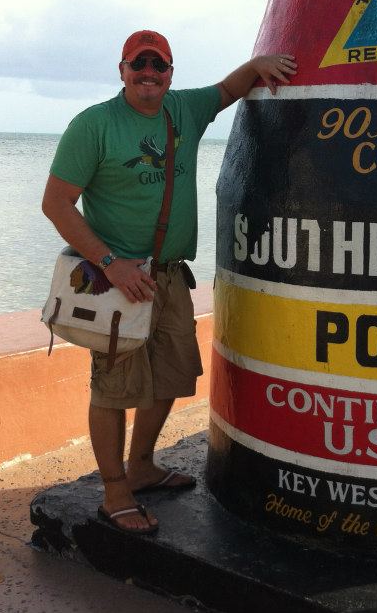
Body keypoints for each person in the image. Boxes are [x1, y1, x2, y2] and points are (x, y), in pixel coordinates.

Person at [42, 30, 297, 534]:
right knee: (113, 390)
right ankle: (114, 493)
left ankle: (141, 465)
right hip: (116, 281)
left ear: (170, 74)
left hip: (170, 277)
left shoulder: (183, 110)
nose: (148, 73)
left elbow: (229, 89)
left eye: (158, 66)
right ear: (122, 70)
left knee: (172, 377)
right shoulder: (93, 125)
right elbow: (56, 204)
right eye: (139, 64)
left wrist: (260, 62)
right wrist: (110, 263)